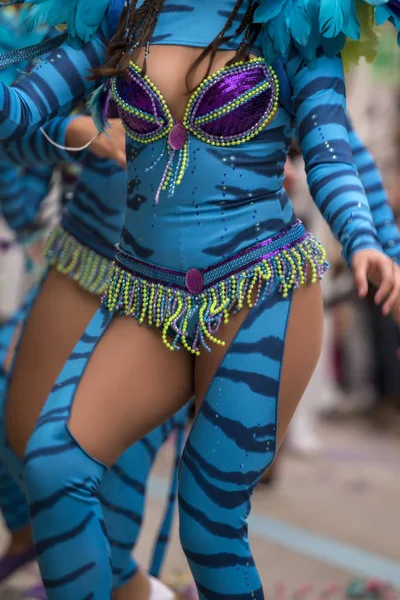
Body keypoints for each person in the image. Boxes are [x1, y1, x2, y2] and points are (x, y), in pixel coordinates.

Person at [0, 1, 400, 598]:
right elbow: (20, 115)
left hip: (258, 291)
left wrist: (368, 240)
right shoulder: (123, 13)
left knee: (210, 526)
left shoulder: (292, 19)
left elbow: (332, 147)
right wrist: (75, 133)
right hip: (147, 297)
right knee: (54, 467)